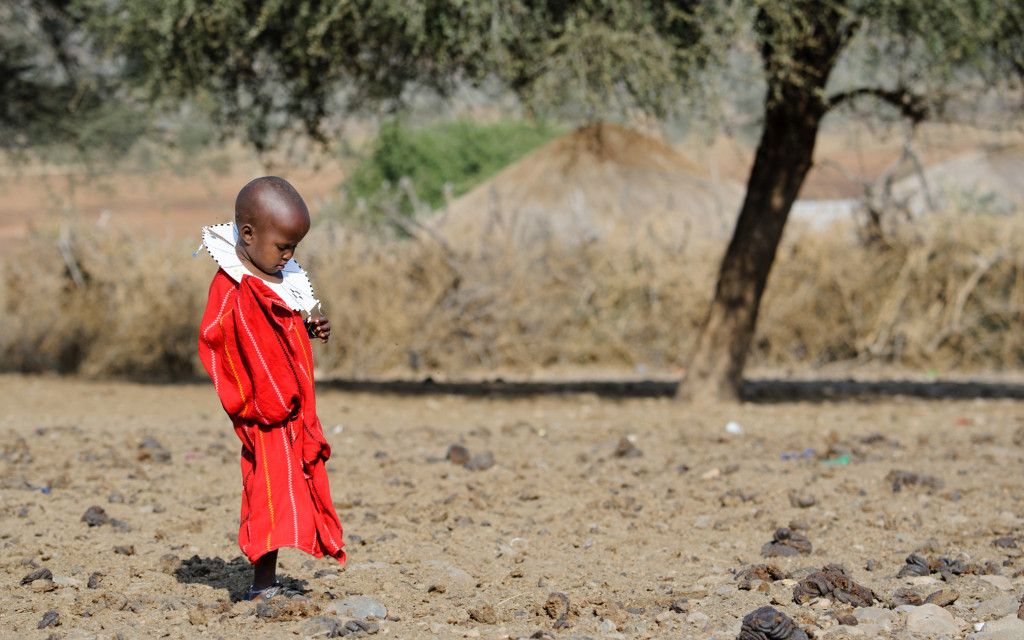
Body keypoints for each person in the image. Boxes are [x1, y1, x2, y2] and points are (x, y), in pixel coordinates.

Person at [197, 176, 345, 603]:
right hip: (266, 412)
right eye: (283, 246)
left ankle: (269, 581)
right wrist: (264, 399)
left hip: (290, 409)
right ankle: (262, 587)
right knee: (270, 491)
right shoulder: (232, 287)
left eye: (294, 247)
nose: (289, 256)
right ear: (248, 234)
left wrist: (306, 327)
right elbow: (218, 339)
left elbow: (277, 331)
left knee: (287, 486)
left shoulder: (270, 278)